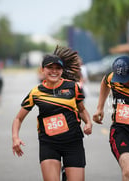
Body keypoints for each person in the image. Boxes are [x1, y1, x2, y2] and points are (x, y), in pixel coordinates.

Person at [12, 49, 92, 181]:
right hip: (49, 144)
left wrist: (88, 123)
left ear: (62, 70)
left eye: (57, 68)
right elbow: (18, 118)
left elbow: (82, 109)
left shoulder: (73, 87)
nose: (54, 71)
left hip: (73, 143)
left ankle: (66, 172)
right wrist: (15, 138)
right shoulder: (36, 92)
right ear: (42, 69)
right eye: (50, 68)